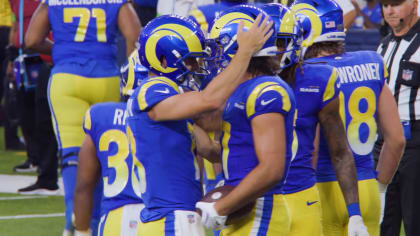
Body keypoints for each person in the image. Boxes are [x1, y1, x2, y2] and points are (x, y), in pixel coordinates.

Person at [127, 13, 273, 235]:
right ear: (164, 59)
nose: (195, 67)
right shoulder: (153, 89)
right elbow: (209, 100)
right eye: (189, 59)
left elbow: (212, 151)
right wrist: (244, 53)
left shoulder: (173, 106)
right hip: (171, 218)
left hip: (177, 216)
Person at [24, 1, 141, 235]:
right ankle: (94, 221)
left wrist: (61, 49)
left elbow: (31, 40)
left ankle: (75, 219)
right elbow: (134, 35)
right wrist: (131, 76)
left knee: (72, 154)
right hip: (105, 77)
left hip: (66, 77)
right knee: (100, 151)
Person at [295, 0, 406, 235]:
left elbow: (312, 148)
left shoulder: (308, 74)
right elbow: (396, 139)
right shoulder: (370, 61)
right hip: (366, 188)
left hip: (322, 187)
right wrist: (381, 188)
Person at [261, 3, 365, 236]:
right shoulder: (242, 82)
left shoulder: (318, 79)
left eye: (280, 42)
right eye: (268, 42)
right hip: (257, 198)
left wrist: (355, 212)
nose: (273, 50)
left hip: (301, 196)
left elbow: (339, 150)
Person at [195, 5, 295, 235]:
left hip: (260, 210)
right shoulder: (244, 89)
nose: (215, 55)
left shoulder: (266, 91)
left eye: (220, 46)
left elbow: (271, 169)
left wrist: (220, 207)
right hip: (243, 209)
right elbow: (232, 152)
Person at [73, 51, 146, 236]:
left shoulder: (100, 116)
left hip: (115, 220)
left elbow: (83, 185)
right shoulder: (177, 119)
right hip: (160, 218)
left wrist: (81, 231)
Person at [375, 0, 420, 235]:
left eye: (396, 4)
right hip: (385, 143)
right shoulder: (383, 45)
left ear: (413, 4)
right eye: (385, 5)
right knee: (383, 220)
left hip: (415, 142)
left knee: (415, 220)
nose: (390, 11)